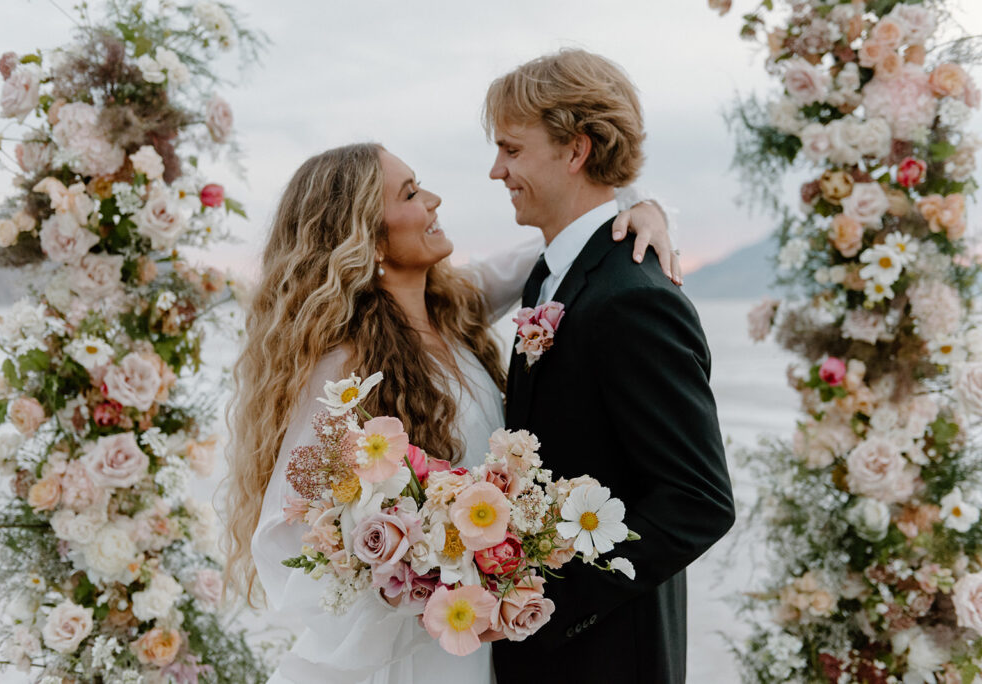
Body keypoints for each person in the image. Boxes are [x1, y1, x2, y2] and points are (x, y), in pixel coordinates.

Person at [224, 142, 677, 683]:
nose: (435, 200)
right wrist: (416, 560)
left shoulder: (455, 310)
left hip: (474, 641)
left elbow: (559, 250)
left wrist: (641, 208)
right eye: (411, 193)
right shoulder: (343, 368)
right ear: (366, 239)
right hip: (411, 650)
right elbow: (291, 525)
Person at [485, 49, 735, 684]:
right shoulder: (550, 276)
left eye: (512, 150)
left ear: (576, 150)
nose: (496, 170)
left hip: (607, 654)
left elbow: (697, 500)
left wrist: (547, 597)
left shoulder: (634, 299)